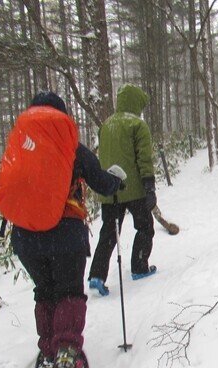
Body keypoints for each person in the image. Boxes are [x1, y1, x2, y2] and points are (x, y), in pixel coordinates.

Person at [10, 92, 124, 368]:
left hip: (26, 238)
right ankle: (67, 352)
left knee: (45, 291)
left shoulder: (19, 147)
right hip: (65, 234)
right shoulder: (71, 146)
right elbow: (101, 182)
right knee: (70, 293)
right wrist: (117, 183)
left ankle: (48, 351)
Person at [88, 84, 157, 296]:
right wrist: (149, 186)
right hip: (134, 190)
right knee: (145, 227)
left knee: (108, 234)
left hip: (110, 190)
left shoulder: (106, 125)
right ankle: (139, 267)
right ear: (135, 103)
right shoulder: (137, 125)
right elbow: (144, 157)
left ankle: (97, 276)